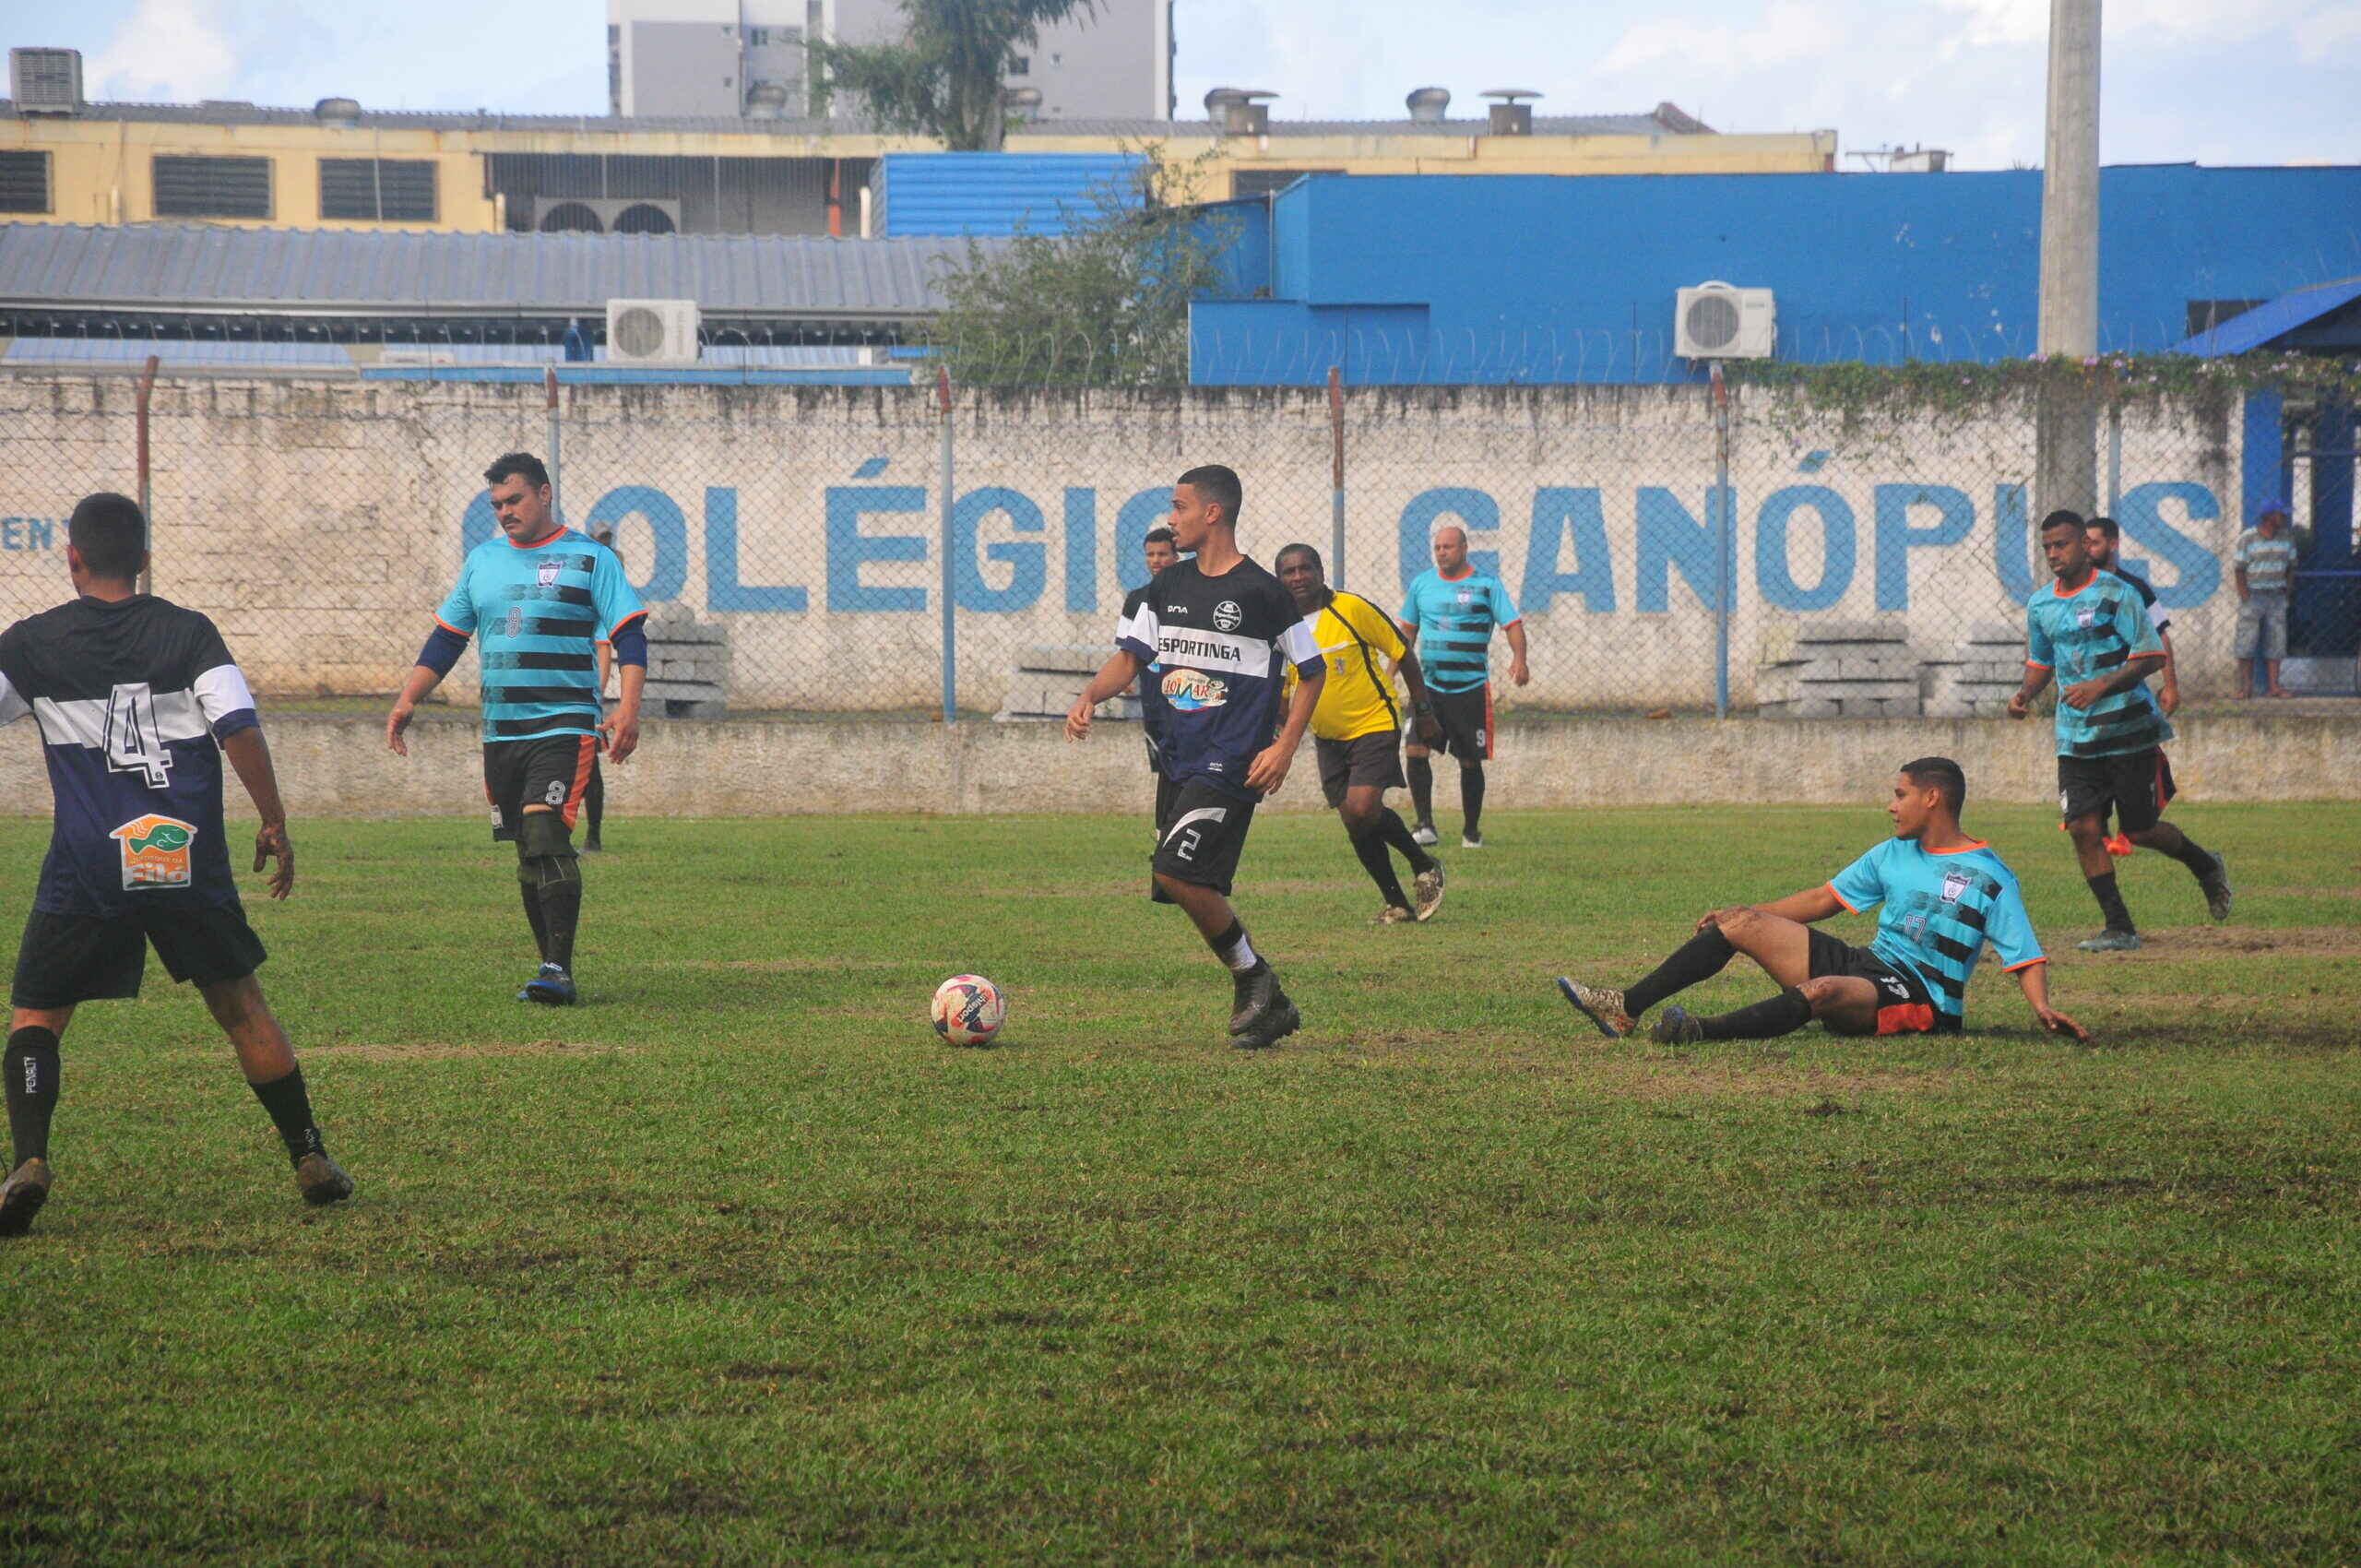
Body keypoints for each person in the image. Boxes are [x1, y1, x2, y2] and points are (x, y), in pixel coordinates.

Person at [0, 493, 351, 1236]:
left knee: (37, 1014)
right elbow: (238, 727)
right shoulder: (189, 633)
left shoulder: (32, 644)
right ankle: (309, 1155)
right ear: (145, 560)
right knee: (241, 1006)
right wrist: (275, 819)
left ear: (73, 558)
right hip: (176, 852)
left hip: (89, 860)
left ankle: (29, 1159)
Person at [1557, 758, 2087, 1045]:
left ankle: (1698, 1031)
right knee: (1740, 923)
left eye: (1900, 795)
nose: (1890, 806)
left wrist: (2041, 1008)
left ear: (1933, 798)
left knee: (1825, 990)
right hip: (1870, 964)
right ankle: (1624, 1008)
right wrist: (1746, 913)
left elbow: (2024, 952)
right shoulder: (1893, 852)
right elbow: (1823, 898)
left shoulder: (1989, 876)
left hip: (1920, 996)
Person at [1065, 465, 1323, 1049]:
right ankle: (1271, 1005)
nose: (1171, 518)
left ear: (1213, 513)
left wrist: (1284, 747)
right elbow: (1130, 660)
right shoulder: (1166, 588)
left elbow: (1313, 672)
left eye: (1180, 507)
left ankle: (1255, 979)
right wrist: (1088, 695)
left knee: (1175, 870)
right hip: (1179, 758)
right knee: (1182, 882)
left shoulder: (1263, 592)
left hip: (1233, 760)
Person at [386, 453, 647, 1004]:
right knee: (527, 848)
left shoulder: (590, 558)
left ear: (545, 494)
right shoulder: (482, 561)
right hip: (502, 730)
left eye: (515, 500)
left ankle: (558, 968)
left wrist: (627, 705)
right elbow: (447, 638)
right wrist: (409, 697)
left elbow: (629, 634)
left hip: (565, 722)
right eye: (497, 505)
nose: (505, 512)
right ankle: (548, 965)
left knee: (545, 826)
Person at [2009, 510, 2231, 952]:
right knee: (2082, 827)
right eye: (2047, 547)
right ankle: (2119, 926)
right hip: (2074, 739)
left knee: (2140, 831)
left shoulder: (2119, 593)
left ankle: (2206, 865)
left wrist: (2100, 686)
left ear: (2086, 546)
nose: (2054, 553)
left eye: (2063, 544)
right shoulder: (2041, 604)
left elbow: (2151, 656)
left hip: (2129, 732)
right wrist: (2024, 695)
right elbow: (2041, 661)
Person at [1274, 542, 1447, 924]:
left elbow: (1402, 652)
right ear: (1279, 579)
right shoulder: (1282, 628)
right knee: (1354, 819)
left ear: (1321, 571)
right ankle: (1399, 901)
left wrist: (1424, 713)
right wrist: (1277, 736)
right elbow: (1285, 691)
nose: (1298, 577)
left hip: (1372, 722)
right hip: (1326, 736)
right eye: (1289, 571)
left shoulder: (1351, 608)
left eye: (1306, 568)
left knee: (1362, 807)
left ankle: (1423, 863)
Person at [1397, 524, 1527, 849]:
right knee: (1415, 750)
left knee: (1469, 761)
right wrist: (1390, 672)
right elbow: (1406, 633)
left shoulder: (1486, 585)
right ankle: (1425, 825)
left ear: (1465, 548)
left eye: (1448, 547)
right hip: (1427, 687)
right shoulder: (1422, 585)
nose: (1442, 552)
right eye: (1438, 547)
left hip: (1470, 689)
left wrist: (1520, 659)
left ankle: (1471, 831)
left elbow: (1511, 624)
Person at [2084, 517, 2179, 717]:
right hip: (2083, 693)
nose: (2088, 549)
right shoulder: (2072, 589)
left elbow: (2160, 635)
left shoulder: (2135, 588)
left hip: (2126, 692)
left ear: (2112, 544)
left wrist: (2170, 686)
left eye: (2094, 543)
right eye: (2085, 543)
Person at [2233, 499, 2298, 699]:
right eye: (2281, 514)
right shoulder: (2248, 538)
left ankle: (2274, 687)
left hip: (2276, 596)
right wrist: (2244, 594)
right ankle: (2246, 688)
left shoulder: (2287, 538)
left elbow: (2292, 565)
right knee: (2246, 641)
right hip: (2253, 595)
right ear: (2270, 517)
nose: (2284, 518)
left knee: (2277, 641)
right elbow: (2239, 568)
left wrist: (2287, 590)